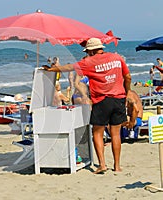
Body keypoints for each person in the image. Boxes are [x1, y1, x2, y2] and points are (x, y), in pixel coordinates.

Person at [44, 38, 131, 174]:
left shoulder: (88, 62)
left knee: (97, 131)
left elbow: (69, 67)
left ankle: (102, 164)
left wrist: (52, 69)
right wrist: (127, 91)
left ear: (90, 51)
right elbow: (128, 76)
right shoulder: (117, 57)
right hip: (119, 98)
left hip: (102, 100)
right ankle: (117, 166)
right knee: (115, 134)